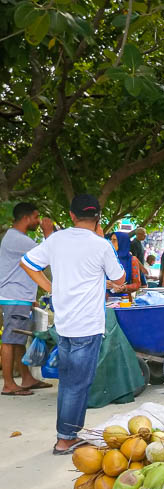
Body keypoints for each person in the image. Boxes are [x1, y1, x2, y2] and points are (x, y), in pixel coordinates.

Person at [20, 194, 126, 454]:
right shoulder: (100, 245)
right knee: (78, 383)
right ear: (98, 217)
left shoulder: (57, 239)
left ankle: (66, 434)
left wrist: (51, 288)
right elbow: (120, 279)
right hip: (87, 325)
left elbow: (27, 263)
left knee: (69, 382)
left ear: (72, 215)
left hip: (65, 324)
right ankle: (65, 438)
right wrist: (103, 241)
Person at [0, 202, 55, 396]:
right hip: (14, 298)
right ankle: (8, 384)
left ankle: (26, 378)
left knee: (18, 339)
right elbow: (47, 255)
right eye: (37, 217)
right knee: (9, 339)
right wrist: (48, 233)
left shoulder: (16, 237)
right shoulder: (18, 239)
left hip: (19, 297)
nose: (39, 222)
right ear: (27, 218)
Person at [105, 231, 142, 296]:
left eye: (114, 240)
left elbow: (137, 284)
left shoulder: (132, 260)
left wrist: (124, 287)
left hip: (124, 300)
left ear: (122, 242)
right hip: (104, 299)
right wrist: (104, 283)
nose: (111, 243)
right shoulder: (106, 258)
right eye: (111, 240)